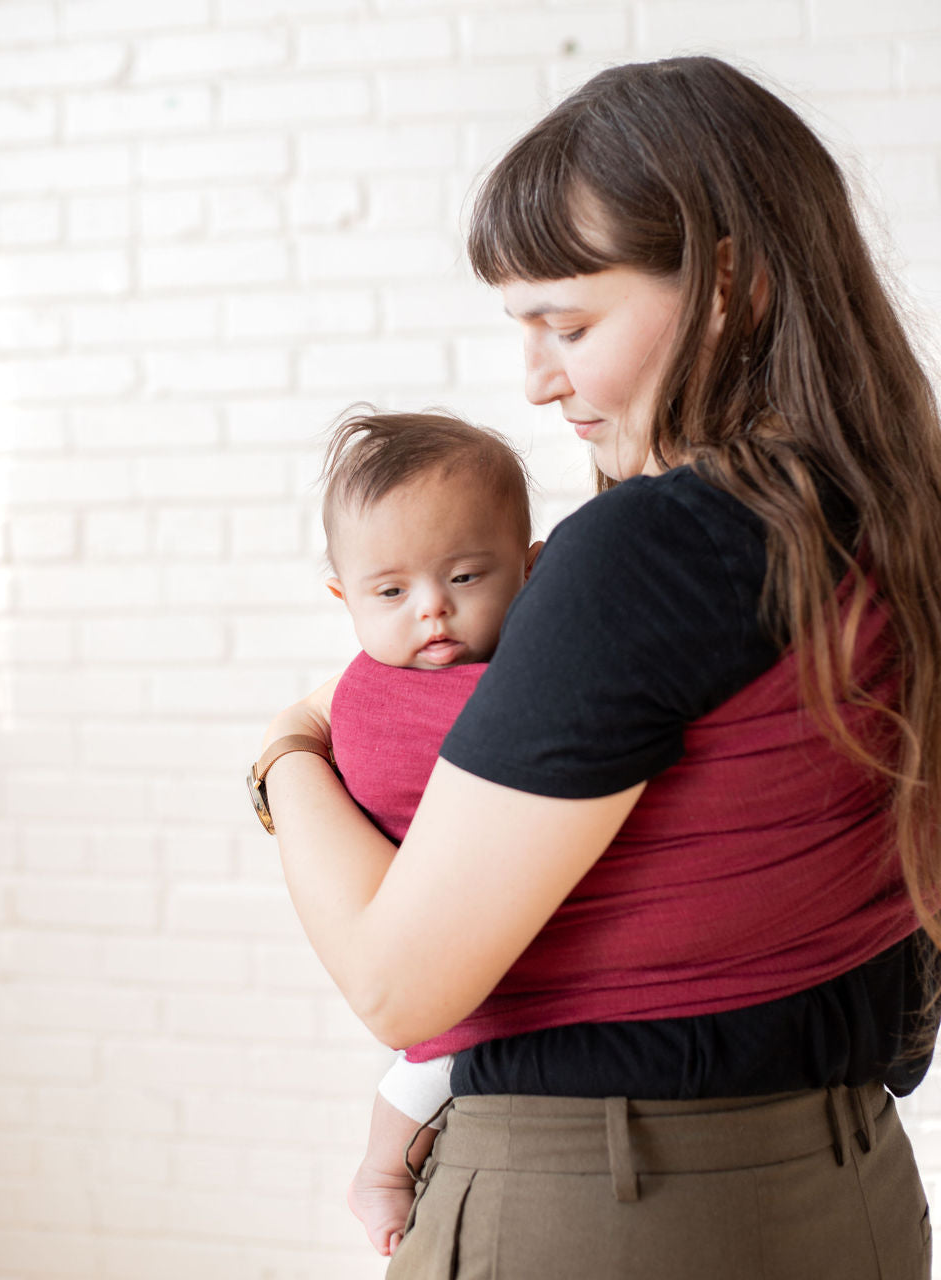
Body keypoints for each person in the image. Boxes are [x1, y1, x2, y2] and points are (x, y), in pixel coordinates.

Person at [252, 55, 941, 1278]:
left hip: (608, 1207)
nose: (536, 377)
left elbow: (399, 984)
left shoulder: (649, 548)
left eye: (567, 324)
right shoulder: (897, 524)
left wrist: (285, 755)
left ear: (729, 277)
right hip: (857, 1191)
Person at [318, 409, 539, 1256]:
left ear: (527, 569)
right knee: (435, 1064)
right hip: (451, 956)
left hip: (482, 940)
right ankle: (380, 1170)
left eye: (466, 577)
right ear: (345, 599)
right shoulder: (378, 696)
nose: (432, 612)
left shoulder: (502, 677)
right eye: (391, 592)